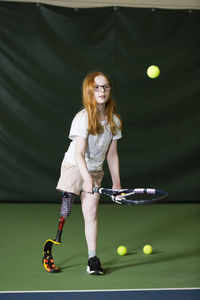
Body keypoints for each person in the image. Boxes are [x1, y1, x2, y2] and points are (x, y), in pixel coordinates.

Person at [43, 71, 122, 275]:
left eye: (105, 87)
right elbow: (78, 154)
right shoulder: (83, 118)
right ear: (89, 91)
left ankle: (92, 259)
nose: (102, 91)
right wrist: (85, 179)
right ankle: (51, 246)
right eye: (97, 87)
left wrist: (116, 184)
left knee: (92, 212)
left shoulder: (114, 121)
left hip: (95, 169)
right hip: (74, 166)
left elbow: (112, 155)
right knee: (66, 211)